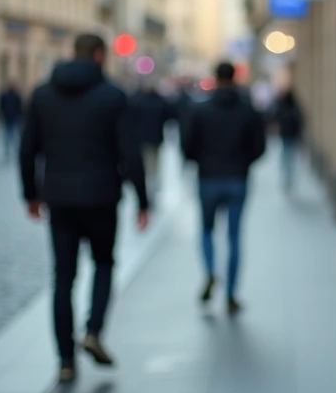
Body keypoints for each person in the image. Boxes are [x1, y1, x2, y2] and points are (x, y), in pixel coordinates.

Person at [20, 34, 150, 383]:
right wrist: (143, 199)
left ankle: (64, 359)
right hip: (102, 196)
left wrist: (30, 195)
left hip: (59, 197)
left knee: (63, 277)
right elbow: (129, 151)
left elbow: (27, 149)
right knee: (104, 263)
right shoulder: (111, 96)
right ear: (98, 55)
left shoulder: (43, 95)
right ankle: (93, 331)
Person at [182, 62, 266, 314]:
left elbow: (187, 145)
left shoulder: (200, 108)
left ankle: (210, 271)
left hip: (208, 178)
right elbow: (260, 147)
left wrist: (203, 161)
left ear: (215, 78)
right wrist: (242, 162)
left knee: (207, 230)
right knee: (234, 237)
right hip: (237, 179)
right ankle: (230, 294)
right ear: (235, 77)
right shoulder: (247, 109)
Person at [128, 80, 172, 198]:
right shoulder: (159, 101)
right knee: (153, 164)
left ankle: (147, 185)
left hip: (141, 139)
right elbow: (169, 115)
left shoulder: (137, 101)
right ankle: (152, 186)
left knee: (145, 164)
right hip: (155, 138)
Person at [269, 87, 304, 191]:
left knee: (286, 153)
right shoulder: (294, 107)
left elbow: (275, 117)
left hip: (286, 134)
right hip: (292, 135)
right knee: (289, 154)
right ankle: (289, 174)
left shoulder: (282, 106)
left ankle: (287, 174)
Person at [0, 80, 24, 161]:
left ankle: (14, 149)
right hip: (7, 117)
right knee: (8, 134)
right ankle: (8, 149)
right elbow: (1, 105)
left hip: (14, 117)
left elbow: (20, 106)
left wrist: (20, 115)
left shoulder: (16, 95)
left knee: (14, 134)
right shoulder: (5, 95)